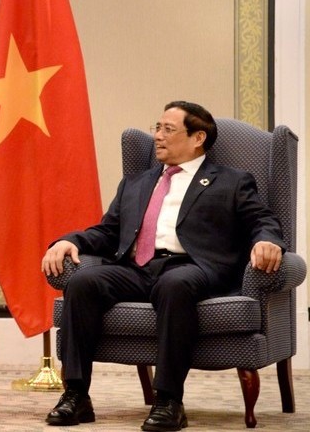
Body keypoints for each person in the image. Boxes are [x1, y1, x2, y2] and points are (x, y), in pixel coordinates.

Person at [41, 101, 285, 431]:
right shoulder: (137, 182)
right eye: (157, 127)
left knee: (175, 285)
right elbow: (109, 231)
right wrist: (70, 241)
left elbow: (263, 219)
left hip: (194, 266)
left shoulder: (232, 181)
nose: (157, 136)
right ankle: (76, 395)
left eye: (168, 130)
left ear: (198, 137)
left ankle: (169, 400)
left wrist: (267, 241)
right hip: (138, 268)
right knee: (83, 282)